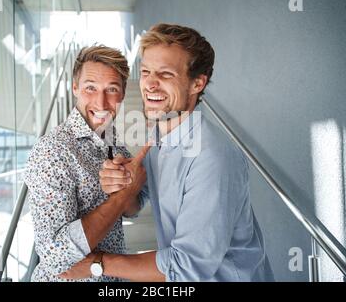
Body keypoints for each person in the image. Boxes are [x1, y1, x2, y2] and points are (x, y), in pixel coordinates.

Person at [60, 24, 274, 282]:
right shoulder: (160, 139)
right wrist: (124, 186)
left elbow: (186, 267)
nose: (150, 84)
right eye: (146, 72)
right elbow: (135, 206)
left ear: (197, 83)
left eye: (165, 74)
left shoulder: (210, 157)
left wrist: (100, 262)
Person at [24, 45, 149, 282]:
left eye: (111, 89)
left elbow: (133, 210)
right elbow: (56, 255)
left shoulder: (116, 147)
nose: (101, 102)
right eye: (90, 88)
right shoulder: (53, 151)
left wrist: (127, 187)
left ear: (122, 94)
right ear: (75, 88)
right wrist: (123, 195)